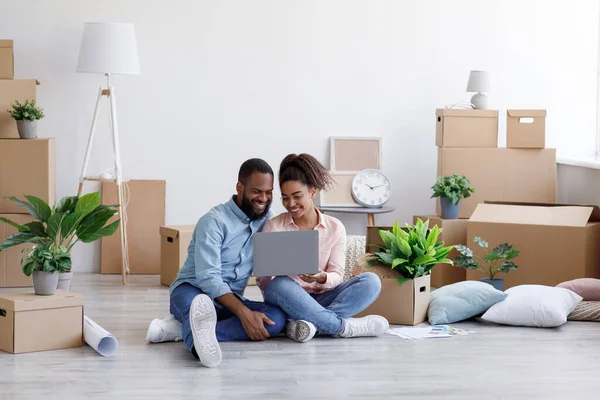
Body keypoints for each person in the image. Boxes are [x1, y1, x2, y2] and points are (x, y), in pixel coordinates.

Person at [147, 158, 287, 368]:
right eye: (257, 191)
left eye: (269, 193)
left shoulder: (267, 220)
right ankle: (196, 339)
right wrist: (244, 314)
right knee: (197, 308)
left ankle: (187, 329)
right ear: (240, 187)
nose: (263, 199)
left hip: (230, 299)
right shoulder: (213, 221)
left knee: (276, 319)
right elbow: (208, 278)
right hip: (192, 290)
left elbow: (278, 260)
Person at [256, 153, 389, 343]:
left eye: (297, 196)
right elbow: (265, 284)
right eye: (285, 198)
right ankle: (343, 327)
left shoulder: (335, 227)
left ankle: (309, 325)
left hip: (324, 297)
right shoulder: (273, 226)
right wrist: (268, 267)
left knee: (371, 281)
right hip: (289, 301)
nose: (290, 204)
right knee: (280, 284)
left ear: (312, 191)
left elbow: (337, 274)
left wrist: (321, 277)